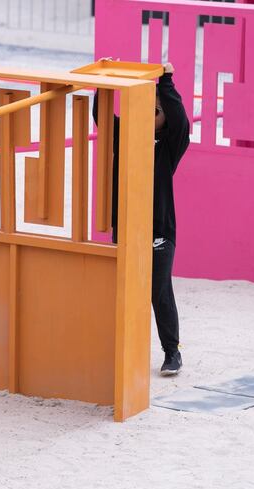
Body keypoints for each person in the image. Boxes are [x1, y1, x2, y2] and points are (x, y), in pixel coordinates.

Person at [93, 62, 190, 377]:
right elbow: (103, 118)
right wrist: (103, 84)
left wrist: (166, 82)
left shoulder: (168, 147)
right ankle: (123, 352)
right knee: (123, 290)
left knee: (158, 290)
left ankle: (171, 352)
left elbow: (180, 121)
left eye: (156, 110)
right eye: (146, 108)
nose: (151, 114)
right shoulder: (123, 137)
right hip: (126, 228)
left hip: (159, 231)